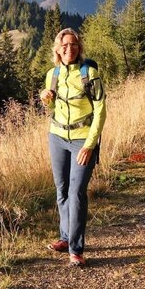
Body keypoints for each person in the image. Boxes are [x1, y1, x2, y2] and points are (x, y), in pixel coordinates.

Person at [39, 28, 106, 267]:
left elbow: (100, 111)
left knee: (77, 193)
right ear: (57, 49)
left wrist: (90, 144)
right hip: (57, 137)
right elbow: (51, 109)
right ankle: (65, 238)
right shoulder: (52, 74)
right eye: (65, 45)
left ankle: (76, 249)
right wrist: (45, 97)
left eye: (74, 44)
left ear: (79, 47)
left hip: (81, 140)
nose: (70, 49)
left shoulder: (89, 73)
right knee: (62, 190)